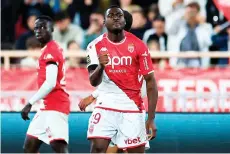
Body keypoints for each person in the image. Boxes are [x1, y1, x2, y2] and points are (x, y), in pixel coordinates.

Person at [86, 5, 158, 153]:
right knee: (98, 148)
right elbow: (93, 82)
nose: (116, 18)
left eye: (119, 15)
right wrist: (101, 66)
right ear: (104, 23)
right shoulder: (94, 46)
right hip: (105, 104)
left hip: (131, 107)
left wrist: (151, 118)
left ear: (125, 21)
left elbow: (151, 82)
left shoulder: (139, 46)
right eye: (111, 16)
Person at [20, 16, 70, 153]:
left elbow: (50, 83)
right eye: (36, 27)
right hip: (45, 108)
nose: (39, 30)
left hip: (55, 107)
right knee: (29, 148)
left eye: (43, 27)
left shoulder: (51, 51)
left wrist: (30, 103)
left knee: (60, 148)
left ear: (52, 29)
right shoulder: (49, 49)